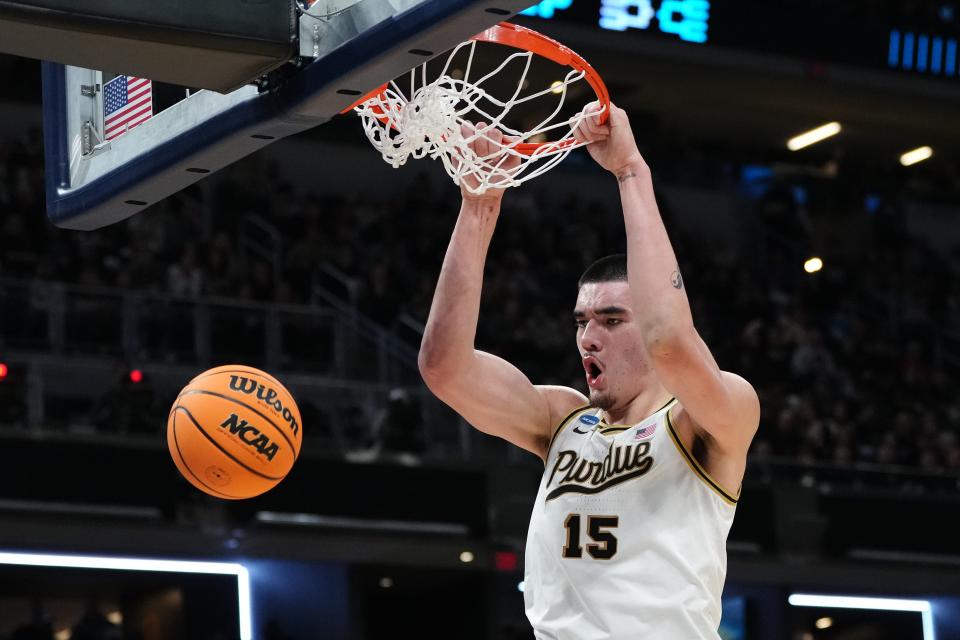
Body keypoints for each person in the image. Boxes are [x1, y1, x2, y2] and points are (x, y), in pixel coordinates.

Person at [418, 103, 760, 639]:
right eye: (581, 321)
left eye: (610, 319)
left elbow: (669, 341)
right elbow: (445, 368)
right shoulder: (562, 420)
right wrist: (479, 205)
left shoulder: (712, 416)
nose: (587, 336)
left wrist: (630, 172)